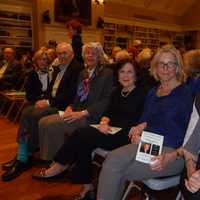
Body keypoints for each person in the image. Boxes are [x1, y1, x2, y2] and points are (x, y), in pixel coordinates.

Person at [32, 60, 150, 200]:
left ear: (136, 75)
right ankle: (87, 187)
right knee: (84, 142)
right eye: (122, 72)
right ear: (117, 75)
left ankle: (60, 165)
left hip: (127, 135)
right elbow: (108, 112)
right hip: (109, 129)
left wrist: (138, 127)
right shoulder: (116, 92)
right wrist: (104, 122)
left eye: (129, 72)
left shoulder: (143, 93)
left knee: (81, 134)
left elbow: (148, 117)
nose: (125, 75)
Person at [97, 45, 200, 200]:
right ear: (155, 67)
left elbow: (193, 136)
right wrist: (139, 127)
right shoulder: (153, 92)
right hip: (148, 145)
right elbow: (146, 119)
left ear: (177, 67)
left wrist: (173, 154)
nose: (165, 68)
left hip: (173, 153)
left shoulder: (187, 94)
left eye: (170, 63)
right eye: (161, 63)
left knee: (113, 168)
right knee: (113, 159)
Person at [1, 42, 82, 181]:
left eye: (65, 53)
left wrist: (48, 102)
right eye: (59, 53)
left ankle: (24, 156)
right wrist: (44, 99)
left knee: (35, 114)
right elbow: (51, 89)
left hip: (64, 106)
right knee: (27, 111)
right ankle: (23, 154)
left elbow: (71, 94)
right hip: (53, 101)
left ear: (72, 54)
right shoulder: (59, 68)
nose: (62, 56)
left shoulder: (76, 69)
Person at [37, 42, 113, 162]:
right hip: (77, 112)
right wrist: (70, 107)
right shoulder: (83, 73)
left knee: (52, 125)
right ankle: (47, 158)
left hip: (92, 116)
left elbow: (106, 100)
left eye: (94, 54)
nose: (90, 56)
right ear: (83, 56)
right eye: (87, 53)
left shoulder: (107, 73)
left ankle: (57, 163)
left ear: (99, 57)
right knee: (43, 122)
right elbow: (78, 96)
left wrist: (83, 113)